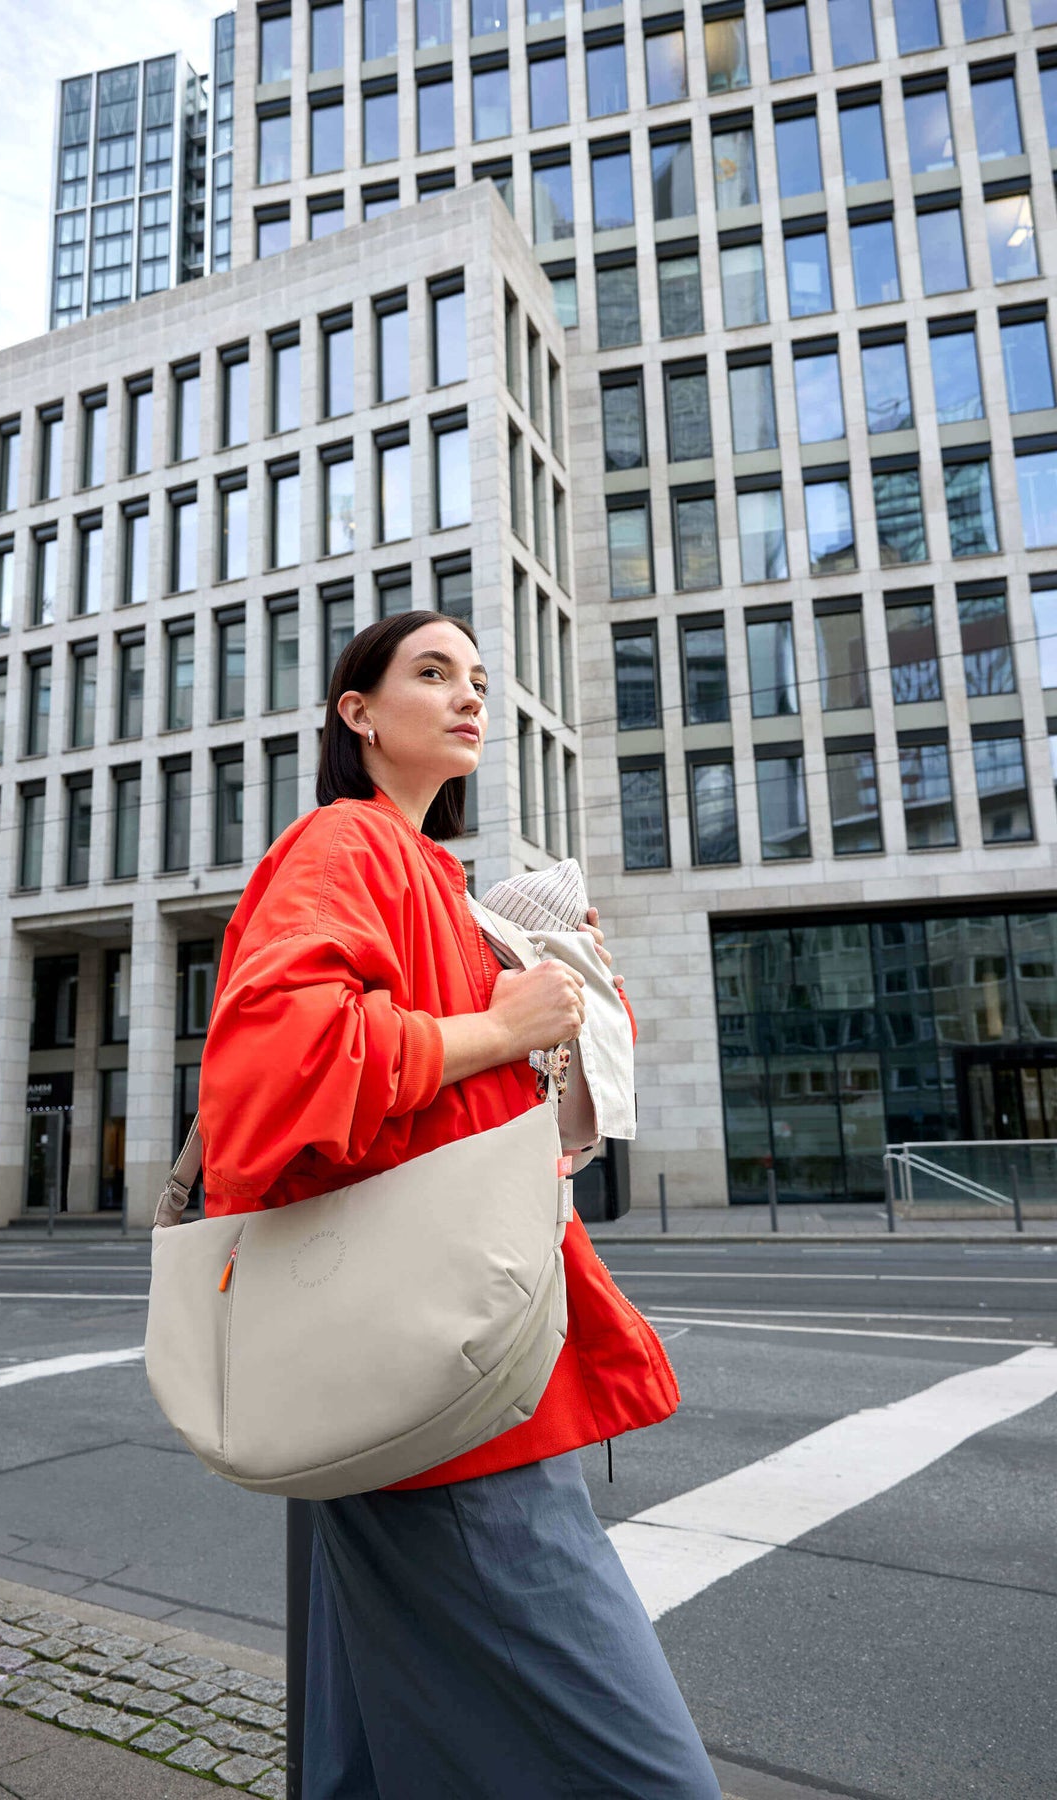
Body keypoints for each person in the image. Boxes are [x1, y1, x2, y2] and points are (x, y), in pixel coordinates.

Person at [198, 610, 722, 1800]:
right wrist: (499, 1023)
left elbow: (518, 1124)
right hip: (443, 1373)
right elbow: (269, 1068)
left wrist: (562, 993)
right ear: (360, 714)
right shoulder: (347, 844)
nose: (469, 695)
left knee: (366, 1750)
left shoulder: (448, 885)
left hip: (408, 1351)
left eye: (479, 678)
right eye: (432, 674)